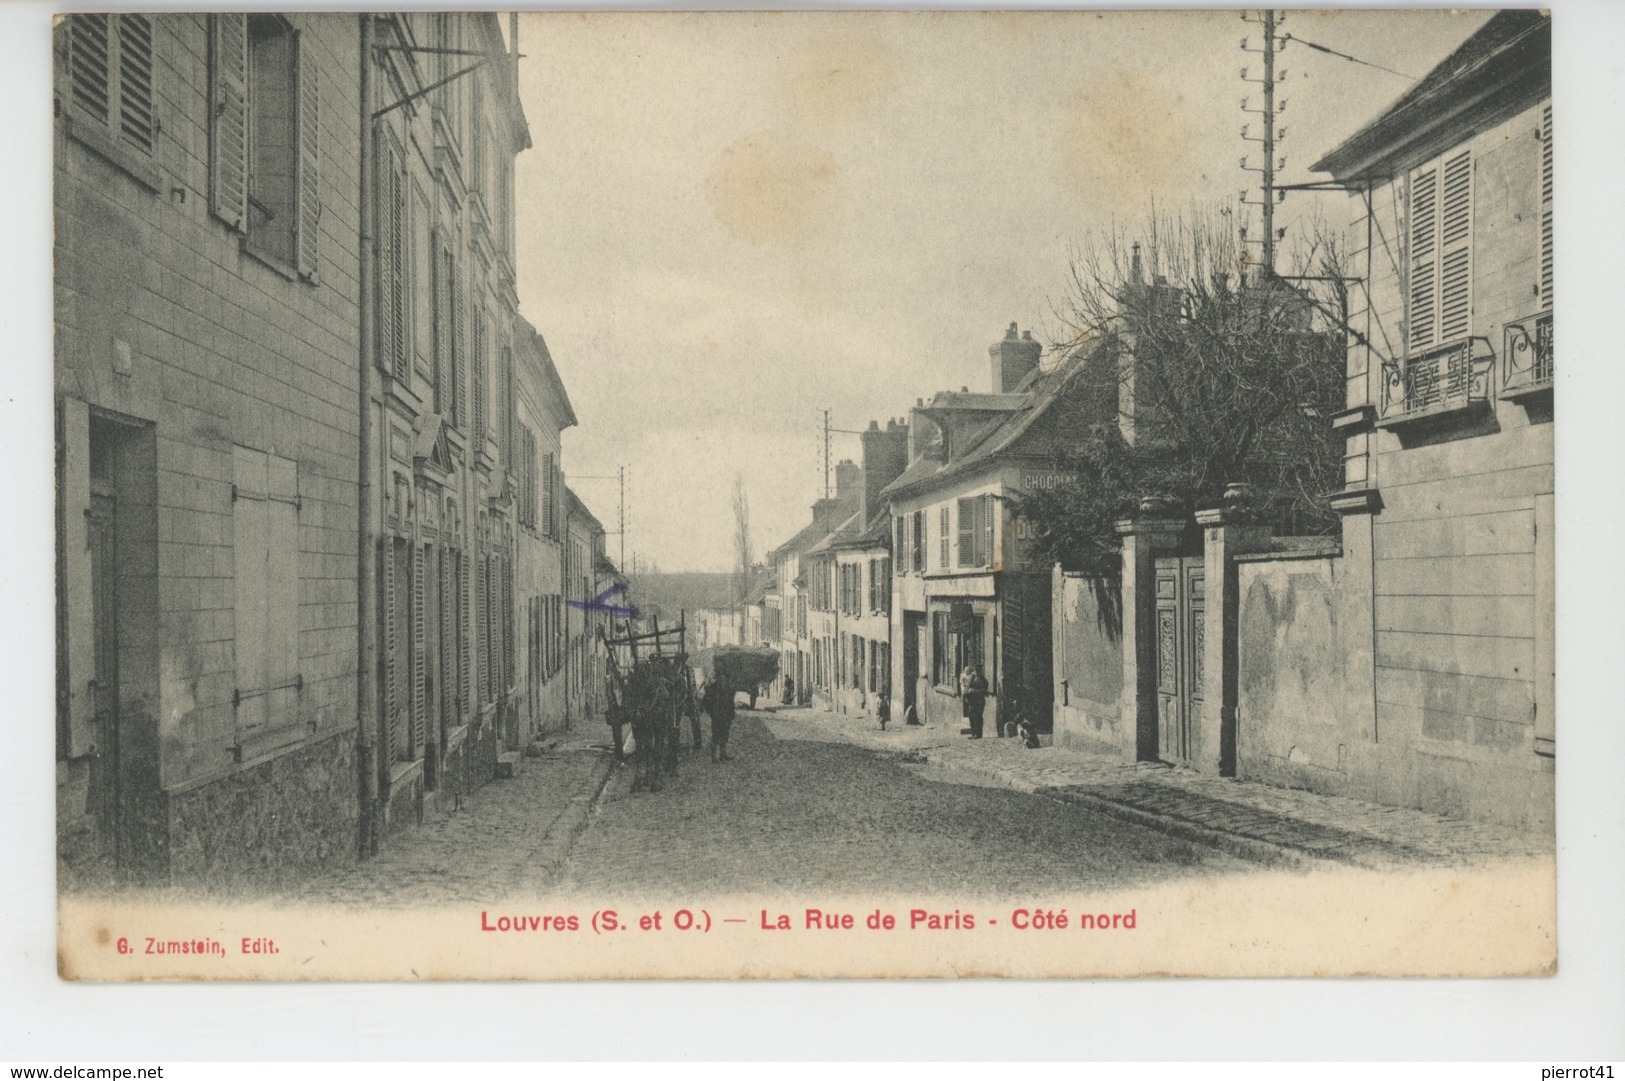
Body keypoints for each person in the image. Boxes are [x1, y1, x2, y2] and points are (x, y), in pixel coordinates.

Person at [703, 677, 737, 762]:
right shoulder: (714, 687)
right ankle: (713, 756)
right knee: (716, 734)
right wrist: (711, 713)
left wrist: (731, 712)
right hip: (717, 715)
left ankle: (722, 754)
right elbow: (706, 701)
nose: (724, 679)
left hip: (726, 714)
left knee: (725, 733)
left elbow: (730, 701)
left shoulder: (729, 687)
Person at [963, 665, 989, 739]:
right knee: (971, 717)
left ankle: (978, 734)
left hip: (979, 701)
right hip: (972, 701)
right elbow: (968, 687)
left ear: (981, 671)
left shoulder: (983, 680)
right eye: (975, 670)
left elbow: (984, 691)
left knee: (978, 717)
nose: (976, 672)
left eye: (978, 670)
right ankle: (973, 733)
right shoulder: (973, 678)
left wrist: (975, 691)